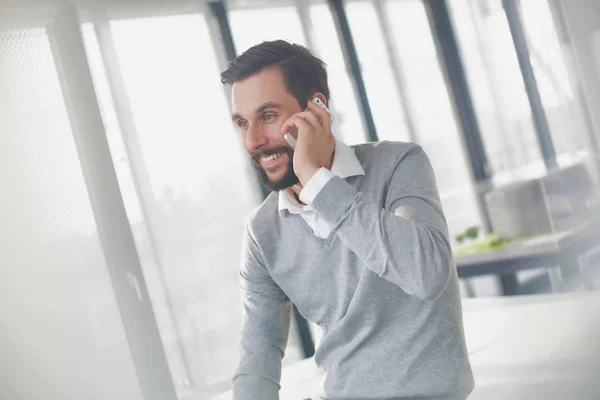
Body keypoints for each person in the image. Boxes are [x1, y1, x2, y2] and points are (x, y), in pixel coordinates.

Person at [220, 40, 474, 400]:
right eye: (242, 123)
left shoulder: (398, 165)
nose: (252, 140)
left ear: (316, 107)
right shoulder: (262, 232)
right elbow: (258, 355)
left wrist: (317, 182)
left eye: (269, 117)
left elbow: (427, 273)